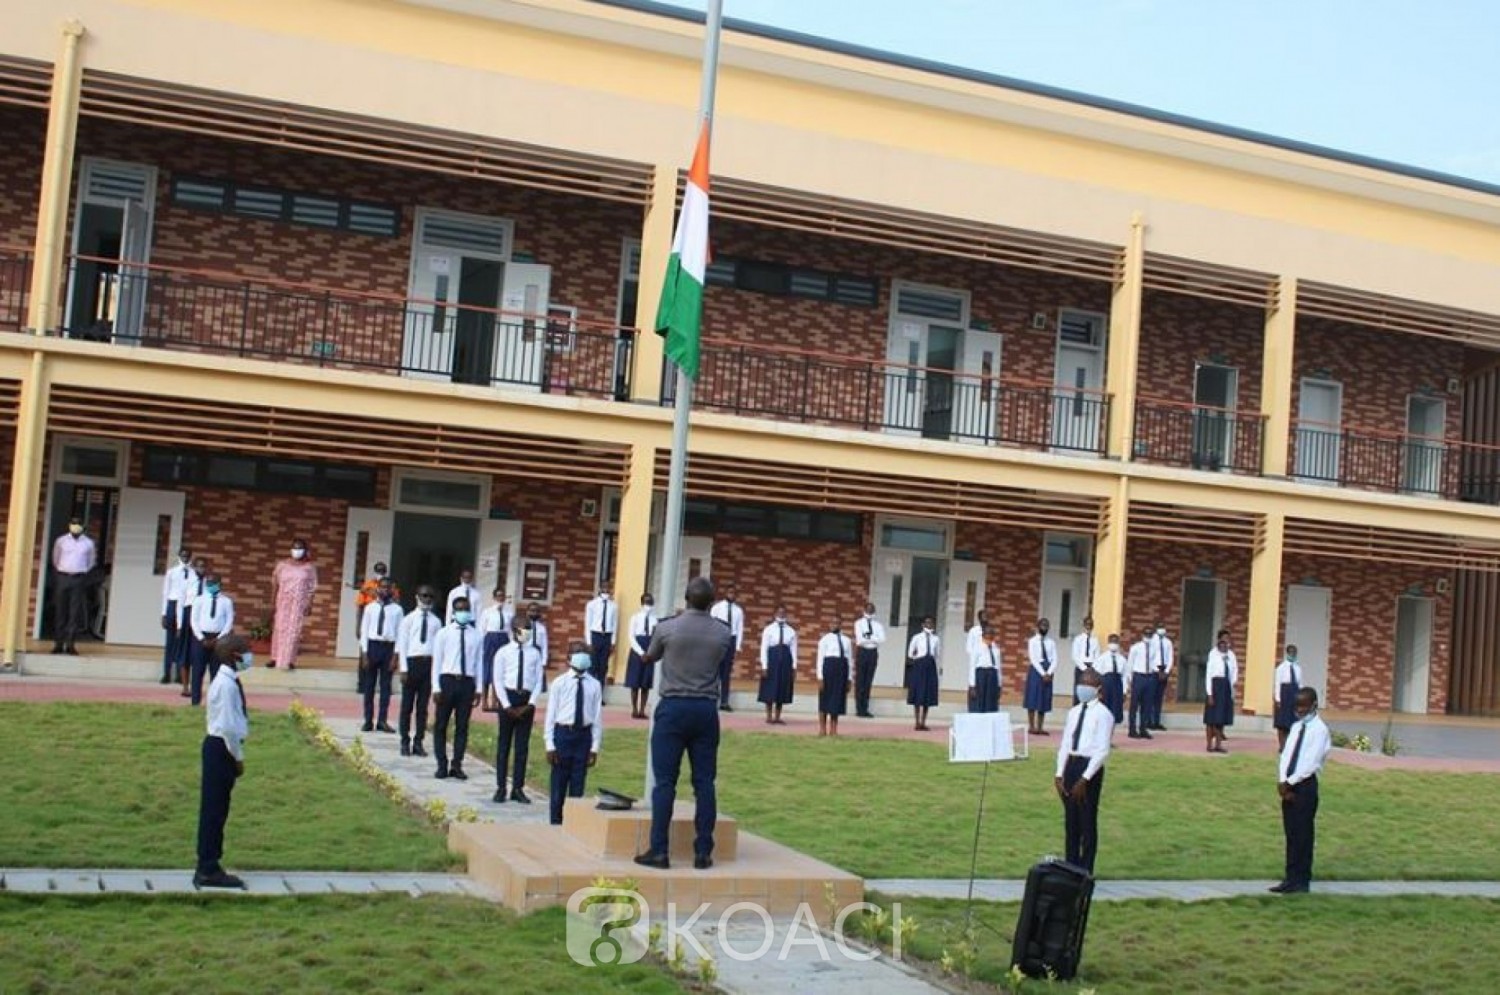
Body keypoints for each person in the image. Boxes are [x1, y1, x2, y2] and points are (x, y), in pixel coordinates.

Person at [634, 576, 733, 872]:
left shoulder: (667, 627)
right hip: (705, 709)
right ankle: (703, 852)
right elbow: (720, 662)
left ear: (686, 599)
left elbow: (650, 656)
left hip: (673, 707)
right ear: (712, 602)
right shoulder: (723, 632)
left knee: (665, 782)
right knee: (704, 782)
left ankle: (659, 850)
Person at [196, 634, 252, 889]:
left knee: (219, 809)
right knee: (214, 811)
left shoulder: (228, 681)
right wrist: (238, 759)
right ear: (234, 656)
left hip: (222, 746)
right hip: (222, 748)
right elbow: (228, 729)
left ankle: (211, 863)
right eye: (246, 651)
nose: (249, 656)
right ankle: (208, 867)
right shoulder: (226, 686)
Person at [1054, 667, 1113, 874]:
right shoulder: (1074, 712)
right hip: (1071, 764)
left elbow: (1102, 750)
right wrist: (1059, 773)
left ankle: (1085, 871)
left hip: (1088, 768)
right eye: (1081, 683)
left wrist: (1085, 778)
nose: (1083, 687)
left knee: (1087, 821)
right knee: (1071, 823)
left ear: (1098, 689)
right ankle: (1070, 868)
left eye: (1088, 684)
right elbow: (1065, 743)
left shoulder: (1103, 714)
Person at [1272, 687, 1331, 894]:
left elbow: (1311, 763)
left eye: (1303, 706)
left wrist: (1290, 782)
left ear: (1314, 705)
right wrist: (1282, 780)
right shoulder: (1297, 727)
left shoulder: (1319, 730)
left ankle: (1301, 880)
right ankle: (1290, 878)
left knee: (1303, 835)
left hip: (1304, 786)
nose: (1299, 710)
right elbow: (1286, 754)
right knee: (1291, 834)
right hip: (1288, 784)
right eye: (1297, 706)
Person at [546, 640, 603, 826]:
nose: (582, 657)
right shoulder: (559, 683)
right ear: (569, 658)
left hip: (583, 736)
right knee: (558, 784)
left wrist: (594, 747)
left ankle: (573, 824)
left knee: (578, 784)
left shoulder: (594, 685)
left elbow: (597, 717)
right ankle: (555, 823)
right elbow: (551, 715)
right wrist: (550, 745)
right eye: (578, 653)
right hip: (563, 734)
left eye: (585, 653)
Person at [491, 613, 544, 804]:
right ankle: (501, 787)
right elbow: (498, 680)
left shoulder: (534, 653)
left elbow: (538, 680)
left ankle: (518, 788)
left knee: (522, 747)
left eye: (530, 628)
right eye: (524, 628)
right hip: (508, 698)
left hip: (526, 701)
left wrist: (531, 703)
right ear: (514, 630)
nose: (527, 632)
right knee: (503, 746)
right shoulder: (503, 652)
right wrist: (506, 705)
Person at [431, 596, 483, 780]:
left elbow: (479, 663)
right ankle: (441, 764)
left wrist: (478, 688)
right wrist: (436, 687)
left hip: (467, 682)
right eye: (460, 609)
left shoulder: (476, 635)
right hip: (448, 680)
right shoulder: (444, 633)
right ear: (453, 612)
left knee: (462, 726)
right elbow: (437, 661)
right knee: (441, 725)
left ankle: (457, 764)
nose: (464, 613)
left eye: (466, 609)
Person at [397, 586, 440, 757]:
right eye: (424, 596)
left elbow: (438, 647)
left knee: (422, 708)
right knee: (406, 706)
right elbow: (403, 644)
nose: (427, 599)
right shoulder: (408, 619)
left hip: (427, 663)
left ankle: (418, 742)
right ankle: (404, 741)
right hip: (412, 663)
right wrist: (403, 668)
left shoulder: (436, 622)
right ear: (417, 597)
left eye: (430, 596)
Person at [359, 580, 404, 734]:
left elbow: (400, 634)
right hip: (373, 646)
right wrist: (364, 653)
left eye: (388, 587)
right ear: (377, 589)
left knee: (385, 687)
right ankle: (368, 720)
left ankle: (382, 720)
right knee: (369, 686)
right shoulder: (370, 608)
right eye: (382, 587)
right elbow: (364, 631)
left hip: (388, 647)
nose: (385, 590)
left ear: (392, 590)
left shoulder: (397, 610)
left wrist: (395, 656)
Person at [50, 515, 96, 655]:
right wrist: (63, 571)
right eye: (73, 523)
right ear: (69, 525)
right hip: (63, 577)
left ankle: (70, 644)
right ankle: (58, 644)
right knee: (60, 610)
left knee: (74, 612)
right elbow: (56, 559)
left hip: (78, 578)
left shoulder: (88, 543)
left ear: (82, 526)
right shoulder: (61, 541)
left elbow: (90, 562)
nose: (76, 526)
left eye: (78, 524)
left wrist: (80, 572)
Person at [269, 539, 317, 670]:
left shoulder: (309, 568)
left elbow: (312, 587)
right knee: (280, 628)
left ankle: (289, 660)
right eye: (295, 548)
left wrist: (310, 603)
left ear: (305, 550)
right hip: (283, 601)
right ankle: (275, 657)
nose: (297, 551)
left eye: (300, 548)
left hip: (298, 603)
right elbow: (275, 584)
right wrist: (272, 602)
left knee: (294, 631)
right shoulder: (282, 565)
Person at [189, 572, 235, 706]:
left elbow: (229, 622)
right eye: (208, 583)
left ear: (220, 584)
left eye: (213, 583)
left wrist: (218, 638)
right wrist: (201, 638)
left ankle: (214, 702)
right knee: (197, 671)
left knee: (216, 672)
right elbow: (194, 620)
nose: (210, 585)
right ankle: (195, 701)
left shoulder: (226, 602)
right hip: (201, 638)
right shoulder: (199, 600)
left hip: (218, 639)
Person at [160, 547, 196, 685]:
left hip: (186, 606)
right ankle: (166, 673)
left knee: (182, 642)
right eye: (183, 555)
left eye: (187, 555)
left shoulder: (193, 573)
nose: (185, 558)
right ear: (179, 556)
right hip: (172, 604)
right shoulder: (172, 572)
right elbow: (165, 593)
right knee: (170, 641)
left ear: (191, 556)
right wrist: (164, 613)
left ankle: (180, 674)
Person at [756, 604, 796, 725]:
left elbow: (794, 650)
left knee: (782, 688)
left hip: (785, 660)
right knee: (770, 687)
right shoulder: (768, 629)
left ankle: (778, 717)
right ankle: (769, 716)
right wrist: (764, 666)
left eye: (783, 612)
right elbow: (764, 648)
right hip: (772, 659)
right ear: (775, 614)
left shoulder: (791, 631)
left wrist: (794, 667)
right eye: (779, 612)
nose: (781, 614)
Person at [177, 556, 209, 698]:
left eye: (204, 566)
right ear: (194, 567)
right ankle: (185, 687)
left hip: (202, 618)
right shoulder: (187, 581)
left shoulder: (209, 583)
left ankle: (197, 687)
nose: (201, 569)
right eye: (199, 566)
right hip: (188, 614)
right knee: (185, 652)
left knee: (198, 653)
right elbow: (180, 602)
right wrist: (179, 624)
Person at [709, 584, 744, 711]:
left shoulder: (738, 610)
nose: (731, 595)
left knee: (726, 673)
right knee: (715, 671)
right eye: (729, 592)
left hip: (731, 640)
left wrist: (738, 646)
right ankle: (712, 699)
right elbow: (711, 624)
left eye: (733, 593)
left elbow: (739, 629)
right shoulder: (717, 607)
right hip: (718, 639)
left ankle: (724, 702)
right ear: (725, 593)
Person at [815, 617, 852, 737]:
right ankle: (822, 729)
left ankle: (834, 729)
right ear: (829, 624)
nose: (834, 625)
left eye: (837, 623)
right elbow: (820, 659)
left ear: (841, 625)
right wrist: (820, 677)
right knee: (824, 699)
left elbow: (849, 660)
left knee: (837, 700)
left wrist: (849, 678)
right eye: (832, 623)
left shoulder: (846, 640)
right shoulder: (824, 640)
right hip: (829, 669)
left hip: (842, 670)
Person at [1203, 629, 1238, 754]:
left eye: (1227, 640)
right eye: (1223, 640)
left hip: (1226, 686)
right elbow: (1209, 675)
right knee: (1211, 718)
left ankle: (1218, 744)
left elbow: (1234, 670)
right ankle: (1209, 744)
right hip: (1215, 686)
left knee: (1221, 718)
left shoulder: (1231, 655)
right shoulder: (1213, 655)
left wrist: (1233, 684)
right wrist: (1210, 693)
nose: (1225, 643)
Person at [624, 593, 658, 719]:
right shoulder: (635, 618)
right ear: (642, 603)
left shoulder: (655, 619)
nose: (648, 605)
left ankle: (642, 710)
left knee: (646, 683)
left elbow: (656, 637)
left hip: (650, 648)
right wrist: (641, 652)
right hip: (637, 648)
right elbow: (631, 637)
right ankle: (634, 708)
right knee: (635, 681)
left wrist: (650, 652)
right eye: (646, 602)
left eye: (650, 603)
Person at [905, 616, 940, 731]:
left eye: (931, 623)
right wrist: (917, 658)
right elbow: (910, 653)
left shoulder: (936, 639)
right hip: (919, 664)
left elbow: (937, 653)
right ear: (923, 625)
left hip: (930, 665)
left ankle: (923, 721)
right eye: (927, 623)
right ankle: (917, 722)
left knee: (927, 693)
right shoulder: (917, 637)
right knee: (918, 692)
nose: (929, 625)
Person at [1025, 618, 1058, 736]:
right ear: (1038, 626)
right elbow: (1033, 659)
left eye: (1047, 626)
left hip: (1048, 670)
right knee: (1033, 697)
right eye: (1043, 625)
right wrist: (1043, 673)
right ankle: (1031, 726)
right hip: (1036, 670)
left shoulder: (1051, 642)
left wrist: (1049, 672)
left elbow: (1055, 659)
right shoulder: (1032, 641)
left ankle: (1040, 727)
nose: (1045, 627)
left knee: (1043, 699)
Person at [480, 587, 514, 700]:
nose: (500, 598)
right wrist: (482, 645)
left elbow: (510, 630)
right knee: (487, 667)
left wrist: (511, 643)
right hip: (490, 639)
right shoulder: (487, 612)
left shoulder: (509, 613)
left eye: (502, 596)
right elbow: (482, 629)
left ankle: (496, 699)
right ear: (494, 597)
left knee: (500, 667)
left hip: (503, 638)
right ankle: (484, 699)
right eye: (498, 596)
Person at [853, 602, 885, 718]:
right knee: (860, 681)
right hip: (862, 652)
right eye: (868, 609)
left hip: (873, 653)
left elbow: (882, 639)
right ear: (864, 610)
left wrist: (868, 637)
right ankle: (859, 708)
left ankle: (865, 708)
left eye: (872, 610)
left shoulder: (878, 625)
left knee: (868, 681)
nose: (870, 611)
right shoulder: (858, 623)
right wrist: (873, 638)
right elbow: (859, 640)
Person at [584, 582, 617, 686]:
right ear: (600, 589)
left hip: (607, 637)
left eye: (608, 588)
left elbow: (615, 624)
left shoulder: (613, 606)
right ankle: (591, 689)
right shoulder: (592, 604)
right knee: (593, 665)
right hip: (595, 635)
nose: (606, 590)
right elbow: (588, 624)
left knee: (603, 667)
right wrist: (589, 642)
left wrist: (613, 642)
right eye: (604, 587)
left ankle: (600, 691)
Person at [1273, 645, 1304, 750]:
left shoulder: (1298, 668)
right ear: (1287, 653)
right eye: (1291, 652)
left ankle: (1289, 746)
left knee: (1293, 722)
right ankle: (1282, 746)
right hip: (1284, 695)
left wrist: (1301, 697)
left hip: (1294, 695)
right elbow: (1277, 684)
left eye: (1294, 652)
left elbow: (1300, 684)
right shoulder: (1281, 668)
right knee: (1282, 722)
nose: (1293, 654)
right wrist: (1278, 699)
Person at [1127, 625, 1154, 739]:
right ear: (1142, 635)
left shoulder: (1154, 648)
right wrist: (1130, 679)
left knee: (1147, 705)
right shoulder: (1136, 647)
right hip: (1138, 676)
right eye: (1146, 634)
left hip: (1150, 676)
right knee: (1134, 704)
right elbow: (1130, 664)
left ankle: (1143, 728)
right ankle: (1132, 729)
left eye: (1150, 635)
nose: (1148, 637)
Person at [968, 624, 1002, 713]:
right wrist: (972, 685)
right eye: (987, 635)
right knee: (978, 702)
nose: (989, 638)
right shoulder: (977, 647)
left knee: (990, 703)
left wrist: (999, 685)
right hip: (981, 675)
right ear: (983, 635)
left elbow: (998, 668)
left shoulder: (996, 648)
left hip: (992, 676)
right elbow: (972, 666)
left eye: (991, 635)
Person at [1148, 622, 1175, 731]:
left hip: (1164, 672)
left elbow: (1170, 657)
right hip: (1154, 672)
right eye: (1159, 627)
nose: (1161, 629)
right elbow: (1150, 658)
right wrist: (1157, 670)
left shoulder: (1168, 642)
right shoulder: (1151, 641)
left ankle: (1157, 721)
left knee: (1159, 698)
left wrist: (1166, 671)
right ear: (1156, 628)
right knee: (1151, 697)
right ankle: (1149, 721)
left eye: (1163, 627)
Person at [1096, 633, 1127, 725]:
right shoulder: (1102, 658)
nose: (1114, 644)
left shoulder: (1122, 659)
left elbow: (1125, 676)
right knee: (1105, 707)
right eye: (1112, 642)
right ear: (1108, 643)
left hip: (1117, 684)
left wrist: (1124, 691)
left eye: (1116, 642)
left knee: (1116, 707)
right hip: (1106, 683)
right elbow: (1098, 674)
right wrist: (1098, 689)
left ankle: (1113, 725)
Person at [1071, 616, 1099, 704]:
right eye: (1087, 624)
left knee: (1091, 690)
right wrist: (1084, 668)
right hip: (1081, 667)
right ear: (1083, 625)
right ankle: (1077, 708)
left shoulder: (1095, 640)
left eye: (1090, 624)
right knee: (1078, 691)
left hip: (1091, 668)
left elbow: (1097, 656)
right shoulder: (1078, 639)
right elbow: (1075, 656)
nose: (1088, 626)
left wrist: (1092, 668)